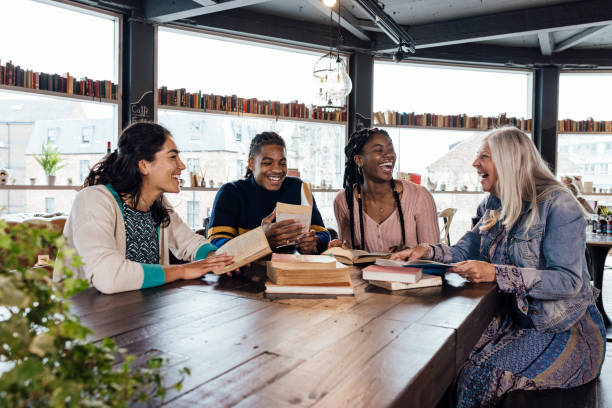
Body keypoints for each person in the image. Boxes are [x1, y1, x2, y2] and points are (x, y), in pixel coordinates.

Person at [391, 127, 606, 407]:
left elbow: (568, 282)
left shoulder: (558, 204)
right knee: (441, 363)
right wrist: (425, 251)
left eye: (483, 156)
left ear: (508, 160)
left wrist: (497, 273)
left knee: (478, 375)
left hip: (564, 329)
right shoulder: (493, 203)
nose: (475, 163)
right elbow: (462, 251)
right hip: (514, 321)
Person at [63, 122, 233, 295]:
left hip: (140, 313)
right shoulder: (92, 199)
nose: (182, 166)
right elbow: (109, 277)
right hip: (84, 316)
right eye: (173, 157)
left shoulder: (158, 203)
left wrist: (216, 258)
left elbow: (189, 242)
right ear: (143, 165)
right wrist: (182, 270)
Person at [208, 131, 330, 254]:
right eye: (267, 163)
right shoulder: (231, 192)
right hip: (246, 271)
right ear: (251, 164)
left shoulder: (297, 188)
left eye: (282, 163)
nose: (277, 170)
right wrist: (260, 240)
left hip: (291, 268)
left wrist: (314, 241)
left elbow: (323, 234)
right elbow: (216, 243)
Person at [332, 127, 439, 252]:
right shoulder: (344, 200)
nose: (388, 155)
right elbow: (349, 255)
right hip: (366, 272)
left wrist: (410, 254)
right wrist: (339, 248)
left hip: (415, 272)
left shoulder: (419, 196)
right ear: (359, 160)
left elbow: (435, 256)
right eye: (378, 150)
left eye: (391, 149)